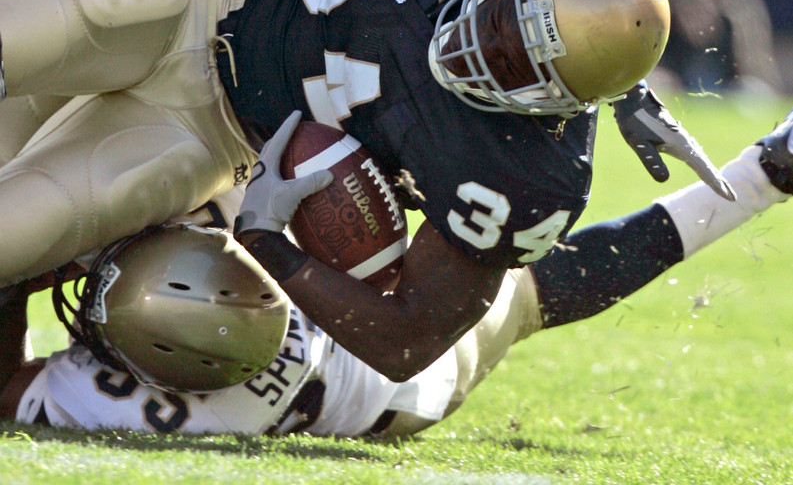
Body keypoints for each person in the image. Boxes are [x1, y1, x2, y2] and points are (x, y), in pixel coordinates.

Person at [0, 0, 731, 381]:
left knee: (12, 235)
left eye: (513, 64)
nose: (482, 41)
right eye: (503, 12)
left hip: (212, 134)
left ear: (556, 104)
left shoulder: (524, 180)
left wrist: (269, 246)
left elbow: (406, 343)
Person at [1, 107, 791, 436]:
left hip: (350, 363)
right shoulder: (219, 319)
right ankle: (764, 174)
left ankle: (765, 174)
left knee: (527, 288)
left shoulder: (99, 403)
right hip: (400, 382)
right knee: (522, 291)